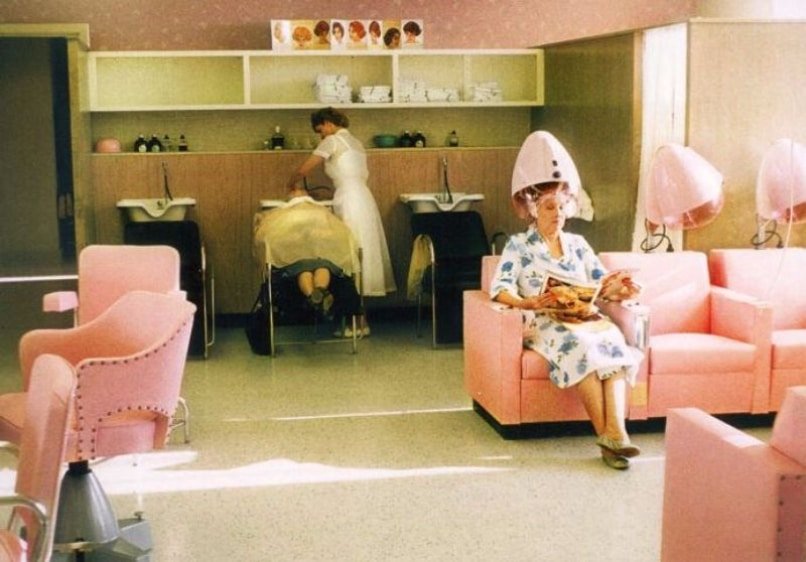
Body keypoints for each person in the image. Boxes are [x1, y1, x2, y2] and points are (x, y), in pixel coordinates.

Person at [490, 131, 643, 470]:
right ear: (533, 210)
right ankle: (612, 438)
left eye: (561, 207)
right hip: (547, 320)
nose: (557, 213)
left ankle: (615, 434)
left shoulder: (578, 244)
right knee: (584, 352)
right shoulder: (518, 246)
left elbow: (600, 283)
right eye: (549, 207)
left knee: (615, 348)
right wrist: (527, 304)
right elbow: (499, 288)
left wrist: (620, 288)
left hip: (587, 318)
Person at [287, 107, 396, 337]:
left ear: (328, 123)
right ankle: (360, 321)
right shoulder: (355, 142)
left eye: (320, 131)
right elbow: (349, 175)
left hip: (350, 202)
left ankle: (354, 322)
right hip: (363, 198)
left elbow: (305, 168)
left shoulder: (333, 141)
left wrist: (291, 183)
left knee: (348, 258)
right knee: (361, 257)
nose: (321, 136)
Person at [253, 187, 360, 319]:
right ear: (289, 199)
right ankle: (320, 298)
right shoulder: (280, 213)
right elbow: (268, 235)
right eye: (294, 191)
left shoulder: (322, 212)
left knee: (320, 267)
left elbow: (338, 233)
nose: (298, 191)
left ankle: (315, 298)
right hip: (294, 259)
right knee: (309, 269)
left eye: (302, 190)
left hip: (320, 257)